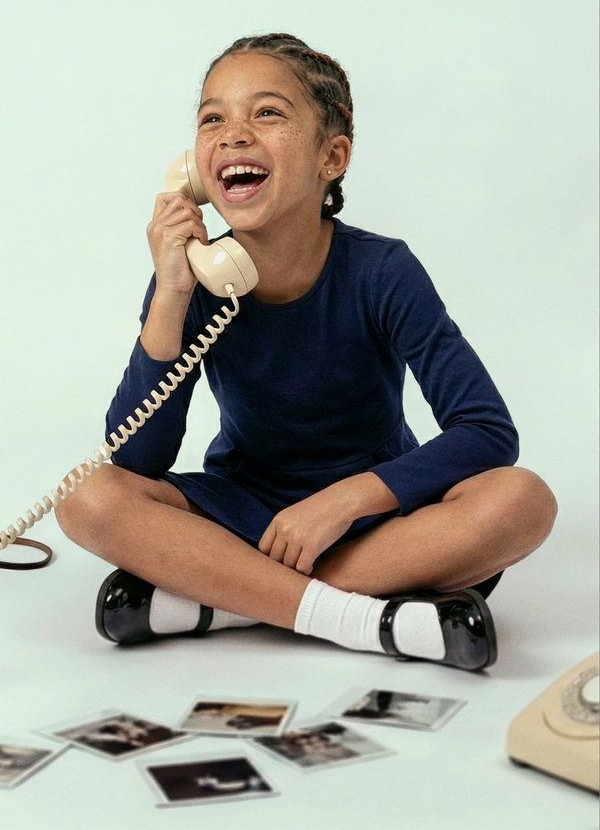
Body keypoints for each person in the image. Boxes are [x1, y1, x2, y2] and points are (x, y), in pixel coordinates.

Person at [55, 33, 557, 671]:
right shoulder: (194, 280)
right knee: (87, 496)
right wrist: (171, 295)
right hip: (245, 507)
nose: (233, 134)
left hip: (372, 514)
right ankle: (366, 617)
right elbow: (137, 458)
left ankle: (224, 600)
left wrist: (346, 500)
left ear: (332, 156)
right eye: (213, 118)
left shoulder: (383, 270)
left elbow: (486, 430)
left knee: (523, 500)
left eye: (267, 113)